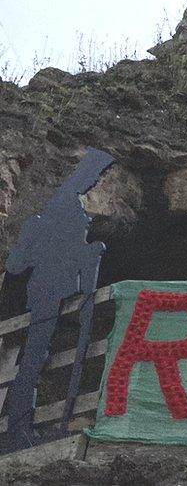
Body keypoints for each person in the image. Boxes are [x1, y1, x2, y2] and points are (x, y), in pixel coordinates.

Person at [3, 148, 114, 450]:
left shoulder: (65, 212)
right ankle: (18, 429)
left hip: (51, 292)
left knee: (34, 358)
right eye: (96, 177)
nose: (95, 183)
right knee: (33, 360)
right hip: (45, 294)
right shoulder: (59, 214)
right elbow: (18, 264)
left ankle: (20, 427)